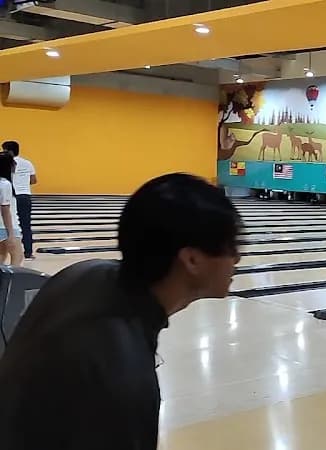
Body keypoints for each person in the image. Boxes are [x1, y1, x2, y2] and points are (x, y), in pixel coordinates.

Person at [0, 173, 242, 450]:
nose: (237, 258)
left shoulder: (86, 274)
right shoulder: (122, 376)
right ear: (192, 260)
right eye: (231, 246)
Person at [2, 141, 36, 260]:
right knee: (26, 225)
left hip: (13, 197)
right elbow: (33, 180)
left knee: (11, 224)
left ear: (9, 151)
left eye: (4, 150)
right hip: (25, 196)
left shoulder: (5, 163)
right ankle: (28, 252)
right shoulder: (28, 163)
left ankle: (9, 249)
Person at [0, 152, 22, 265]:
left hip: (2, 227)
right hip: (7, 227)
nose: (15, 164)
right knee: (17, 258)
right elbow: (5, 211)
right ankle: (15, 283)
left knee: (2, 258)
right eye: (13, 162)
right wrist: (11, 234)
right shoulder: (5, 184)